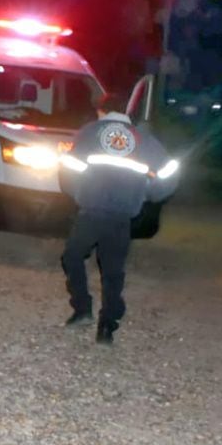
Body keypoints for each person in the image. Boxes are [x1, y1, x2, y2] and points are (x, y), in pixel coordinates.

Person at [57, 93, 180, 343]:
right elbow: (170, 170)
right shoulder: (144, 140)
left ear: (101, 111)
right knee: (113, 271)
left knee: (72, 256)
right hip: (123, 215)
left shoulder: (89, 133)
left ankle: (82, 309)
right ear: (128, 112)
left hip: (92, 211)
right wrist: (150, 193)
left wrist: (77, 192)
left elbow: (69, 166)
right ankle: (107, 327)